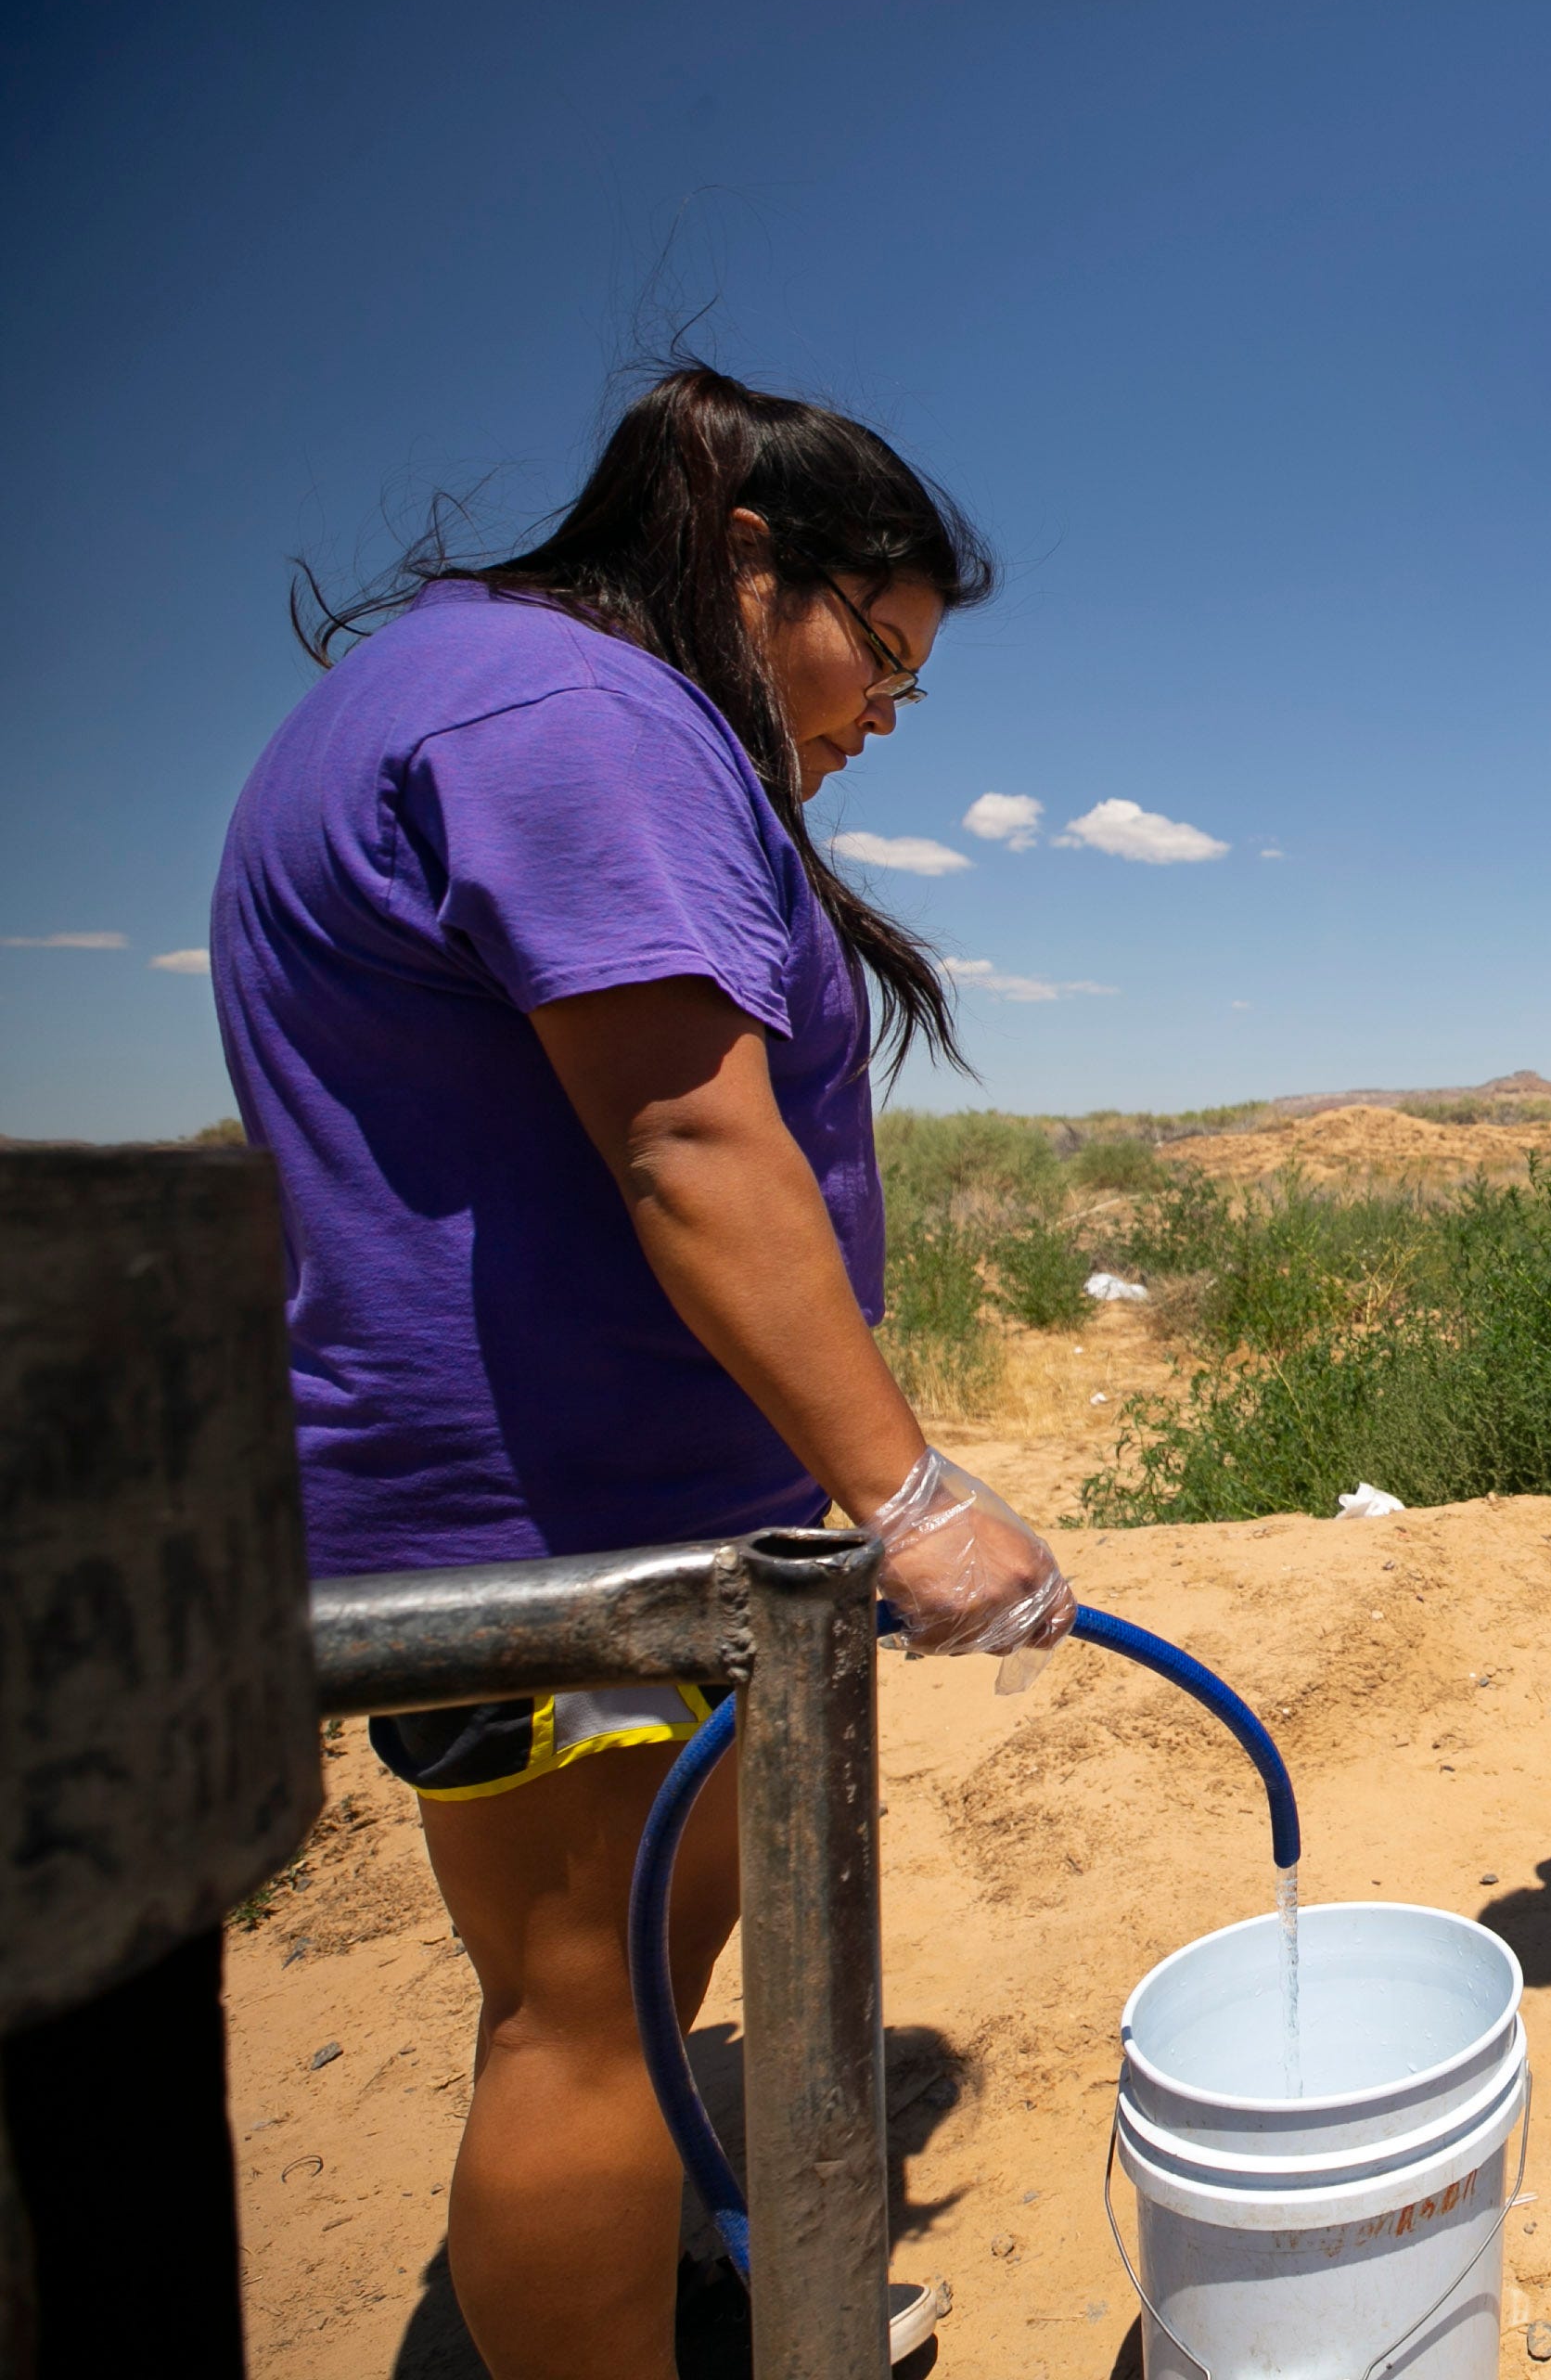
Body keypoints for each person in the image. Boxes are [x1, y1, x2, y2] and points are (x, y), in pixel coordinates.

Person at [213, 362, 1071, 2377]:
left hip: (494, 1494)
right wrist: (913, 1499)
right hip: (580, 1514)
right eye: (882, 658)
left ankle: (662, 2272)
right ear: (746, 557)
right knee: (583, 2013)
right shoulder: (579, 716)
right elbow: (688, 1136)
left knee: (567, 1979)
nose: (876, 717)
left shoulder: (463, 685)